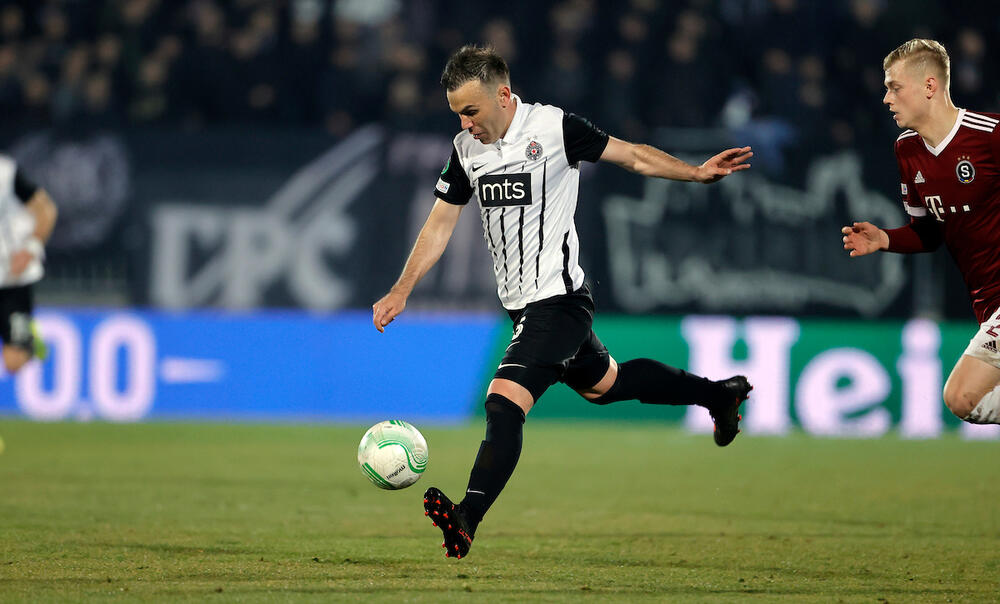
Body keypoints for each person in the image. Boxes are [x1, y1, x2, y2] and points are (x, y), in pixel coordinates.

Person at [372, 45, 754, 559]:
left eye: (471, 111)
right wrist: (401, 289)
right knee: (608, 385)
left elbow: (632, 155)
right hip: (522, 308)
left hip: (559, 302)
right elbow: (439, 224)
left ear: (502, 95)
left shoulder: (554, 129)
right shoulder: (465, 150)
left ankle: (466, 518)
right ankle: (719, 395)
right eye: (457, 114)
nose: (465, 123)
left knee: (503, 402)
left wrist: (695, 173)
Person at [842, 38, 1000, 427]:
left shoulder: (990, 136)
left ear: (929, 86)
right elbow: (928, 234)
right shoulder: (907, 150)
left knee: (960, 394)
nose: (886, 99)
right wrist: (885, 239)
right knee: (965, 401)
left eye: (895, 87)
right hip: (986, 304)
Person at [0, 154, 56, 373]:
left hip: (13, 278)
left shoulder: (6, 173)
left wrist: (31, 248)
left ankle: (29, 341)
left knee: (13, 362)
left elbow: (46, 210)